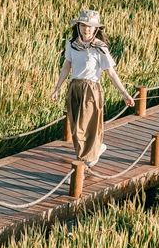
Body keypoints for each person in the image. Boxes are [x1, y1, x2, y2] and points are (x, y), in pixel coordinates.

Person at [52, 10, 134, 167]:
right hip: (74, 87)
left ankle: (83, 164)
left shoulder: (100, 48)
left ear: (96, 28)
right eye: (83, 25)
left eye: (90, 26)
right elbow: (67, 66)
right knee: (75, 127)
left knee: (85, 127)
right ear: (78, 26)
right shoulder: (72, 44)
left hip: (91, 89)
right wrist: (57, 88)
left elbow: (111, 72)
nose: (86, 29)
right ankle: (94, 151)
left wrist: (124, 93)